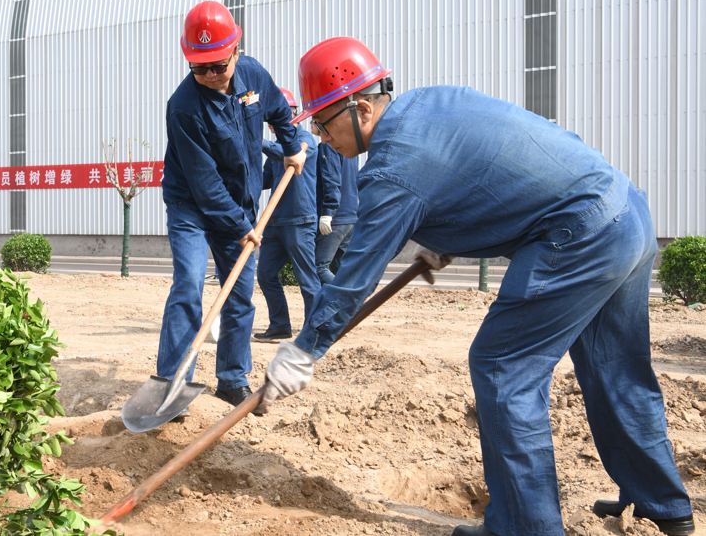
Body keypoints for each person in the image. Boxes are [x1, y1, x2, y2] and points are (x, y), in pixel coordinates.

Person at [258, 37, 694, 536]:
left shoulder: (392, 166)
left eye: (323, 122)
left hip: (580, 234)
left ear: (360, 108)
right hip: (625, 212)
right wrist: (449, 236)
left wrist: (304, 349)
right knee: (614, 366)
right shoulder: (429, 104)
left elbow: (354, 276)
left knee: (503, 366)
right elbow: (493, 173)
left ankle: (524, 528)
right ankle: (666, 506)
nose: (321, 136)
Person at [157, 0, 307, 414]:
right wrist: (244, 226)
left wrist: (292, 149)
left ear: (236, 52)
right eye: (198, 67)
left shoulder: (254, 76)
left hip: (239, 202)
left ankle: (231, 379)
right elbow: (204, 185)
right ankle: (172, 382)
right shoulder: (184, 107)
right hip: (191, 207)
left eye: (217, 66)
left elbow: (279, 111)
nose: (208, 75)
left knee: (240, 293)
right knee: (188, 285)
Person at [254, 88, 320, 343]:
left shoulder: (304, 140)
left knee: (307, 277)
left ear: (290, 115)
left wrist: (258, 143)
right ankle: (280, 325)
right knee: (266, 274)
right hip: (275, 221)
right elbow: (265, 179)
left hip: (299, 219)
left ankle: (313, 330)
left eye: (272, 118)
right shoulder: (276, 149)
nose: (270, 125)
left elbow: (289, 154)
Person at [315, 141, 358, 284]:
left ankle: (346, 297)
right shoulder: (349, 145)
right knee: (339, 269)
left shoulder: (329, 145)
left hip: (335, 217)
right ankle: (347, 305)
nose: (310, 123)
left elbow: (331, 180)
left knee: (318, 268)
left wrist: (327, 212)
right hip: (350, 215)